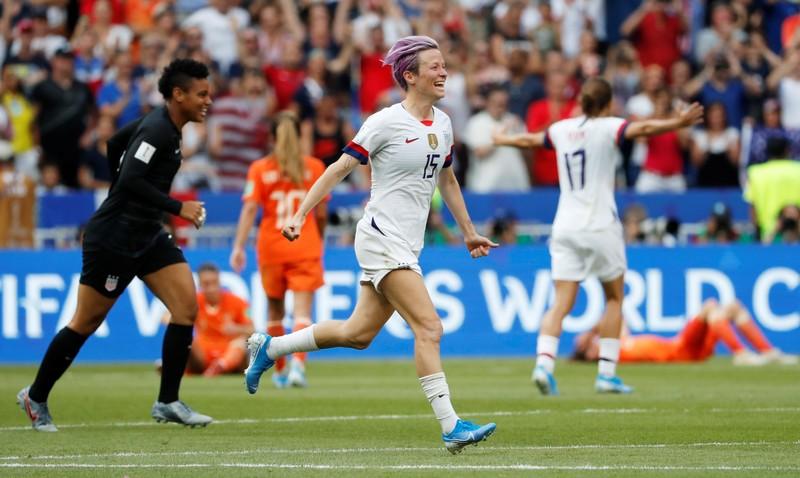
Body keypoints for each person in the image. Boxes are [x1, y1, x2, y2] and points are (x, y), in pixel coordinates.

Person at [243, 36, 498, 454]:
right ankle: (451, 426)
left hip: (406, 243)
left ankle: (272, 347)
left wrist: (468, 231)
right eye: (434, 66)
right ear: (409, 76)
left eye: (444, 65)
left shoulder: (445, 123)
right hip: (381, 237)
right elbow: (339, 168)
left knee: (357, 333)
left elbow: (447, 179)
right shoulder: (384, 122)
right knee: (429, 327)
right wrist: (301, 213)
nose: (443, 72)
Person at [17, 59, 214, 432]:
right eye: (201, 94)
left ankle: (168, 401)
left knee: (186, 308)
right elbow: (130, 180)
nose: (208, 100)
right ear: (179, 94)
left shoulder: (167, 127)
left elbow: (114, 143)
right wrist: (177, 207)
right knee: (85, 322)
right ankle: (36, 395)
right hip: (114, 239)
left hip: (147, 235)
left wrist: (134, 200)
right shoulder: (158, 131)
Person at [493, 77, 703, 395]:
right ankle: (606, 374)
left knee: (560, 302)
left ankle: (543, 364)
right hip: (601, 224)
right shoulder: (608, 127)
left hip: (564, 226)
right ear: (607, 105)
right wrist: (679, 122)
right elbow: (643, 130)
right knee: (614, 298)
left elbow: (529, 141)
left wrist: (501, 139)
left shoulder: (561, 129)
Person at [230, 111, 328, 389]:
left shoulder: (260, 169)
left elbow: (250, 208)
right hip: (304, 243)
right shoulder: (314, 167)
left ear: (272, 137)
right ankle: (298, 366)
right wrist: (317, 239)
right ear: (300, 136)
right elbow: (320, 213)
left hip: (272, 246)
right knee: (302, 313)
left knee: (275, 313)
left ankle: (280, 372)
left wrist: (238, 246)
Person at [572, 300, 798, 366]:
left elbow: (618, 316)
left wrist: (591, 330)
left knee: (732, 307)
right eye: (590, 345)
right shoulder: (615, 355)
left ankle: (768, 352)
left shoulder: (619, 343)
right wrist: (589, 337)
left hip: (687, 349)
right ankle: (740, 353)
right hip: (681, 350)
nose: (594, 341)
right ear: (591, 355)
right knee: (710, 306)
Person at [188, 262, 254, 377]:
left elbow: (253, 330)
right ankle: (171, 365)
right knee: (185, 339)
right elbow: (167, 316)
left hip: (230, 352)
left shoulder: (238, 302)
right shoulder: (194, 302)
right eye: (206, 284)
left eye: (215, 283)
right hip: (203, 354)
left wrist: (236, 329)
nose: (212, 288)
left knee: (242, 341)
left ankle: (220, 366)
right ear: (200, 284)